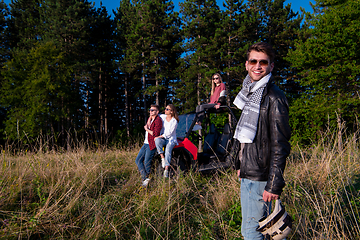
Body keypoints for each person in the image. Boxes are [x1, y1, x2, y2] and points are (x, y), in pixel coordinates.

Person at [233, 42, 291, 240]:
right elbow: (246, 139)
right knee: (264, 229)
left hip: (261, 177)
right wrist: (241, 164)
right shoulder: (249, 93)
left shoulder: (274, 97)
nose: (258, 66)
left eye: (263, 62)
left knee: (252, 232)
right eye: (254, 61)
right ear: (247, 64)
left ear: (271, 66)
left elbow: (280, 145)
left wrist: (274, 184)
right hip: (249, 173)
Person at [135, 104, 163, 187]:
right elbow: (149, 122)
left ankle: (147, 180)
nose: (150, 111)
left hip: (152, 144)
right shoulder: (151, 118)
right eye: (150, 110)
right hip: (145, 143)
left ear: (157, 112)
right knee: (138, 160)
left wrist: (147, 129)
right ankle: (145, 178)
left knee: (147, 162)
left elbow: (155, 134)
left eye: (153, 110)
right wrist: (150, 118)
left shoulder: (158, 120)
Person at [154, 104, 179, 178]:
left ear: (171, 111)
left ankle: (166, 169)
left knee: (168, 150)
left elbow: (169, 134)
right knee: (157, 141)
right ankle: (162, 158)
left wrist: (159, 136)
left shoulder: (174, 121)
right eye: (165, 108)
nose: (165, 110)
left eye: (167, 109)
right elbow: (154, 114)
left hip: (170, 139)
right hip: (163, 138)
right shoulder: (163, 117)